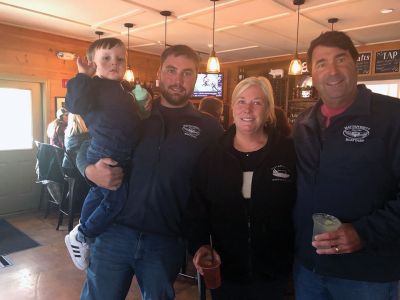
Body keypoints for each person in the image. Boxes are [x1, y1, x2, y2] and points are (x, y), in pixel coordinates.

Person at [76, 45, 224, 300]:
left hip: (165, 240)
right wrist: (89, 170)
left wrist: (204, 240)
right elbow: (87, 147)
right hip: (114, 232)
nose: (178, 80)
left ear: (196, 79)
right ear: (159, 73)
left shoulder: (209, 129)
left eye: (187, 73)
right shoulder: (131, 110)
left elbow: (214, 189)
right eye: (171, 70)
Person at [292, 30, 400, 299]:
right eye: (321, 63)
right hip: (308, 269)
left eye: (340, 59)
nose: (332, 71)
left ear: (355, 63)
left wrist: (364, 232)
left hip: (367, 274)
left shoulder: (392, 117)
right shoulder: (303, 123)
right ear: (313, 75)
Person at [184, 76, 297, 300]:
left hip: (276, 273)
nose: (248, 109)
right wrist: (199, 245)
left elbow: (300, 205)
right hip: (226, 270)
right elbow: (196, 208)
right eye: (241, 101)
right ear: (232, 108)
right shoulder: (213, 154)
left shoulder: (288, 151)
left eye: (257, 102)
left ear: (267, 110)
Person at [64, 37, 143, 271]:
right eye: (106, 58)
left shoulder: (121, 89)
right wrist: (83, 76)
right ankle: (83, 234)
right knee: (114, 199)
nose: (114, 63)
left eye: (120, 59)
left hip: (119, 150)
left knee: (101, 195)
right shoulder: (93, 85)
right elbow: (75, 105)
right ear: (93, 63)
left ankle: (83, 231)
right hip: (107, 150)